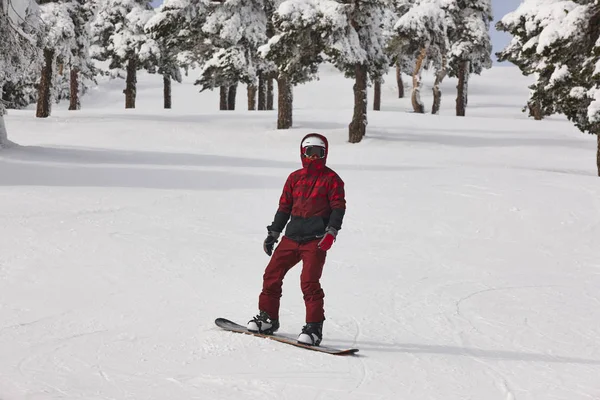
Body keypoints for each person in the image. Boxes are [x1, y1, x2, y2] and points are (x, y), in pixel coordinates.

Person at [247, 133, 346, 346]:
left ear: (325, 154)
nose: (313, 158)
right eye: (309, 152)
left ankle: (314, 328)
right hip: (291, 237)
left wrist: (331, 232)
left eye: (318, 153)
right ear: (302, 153)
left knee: (309, 282)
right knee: (271, 275)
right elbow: (284, 208)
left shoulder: (332, 180)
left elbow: (338, 208)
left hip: (316, 240)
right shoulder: (294, 178)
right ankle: (268, 318)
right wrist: (273, 233)